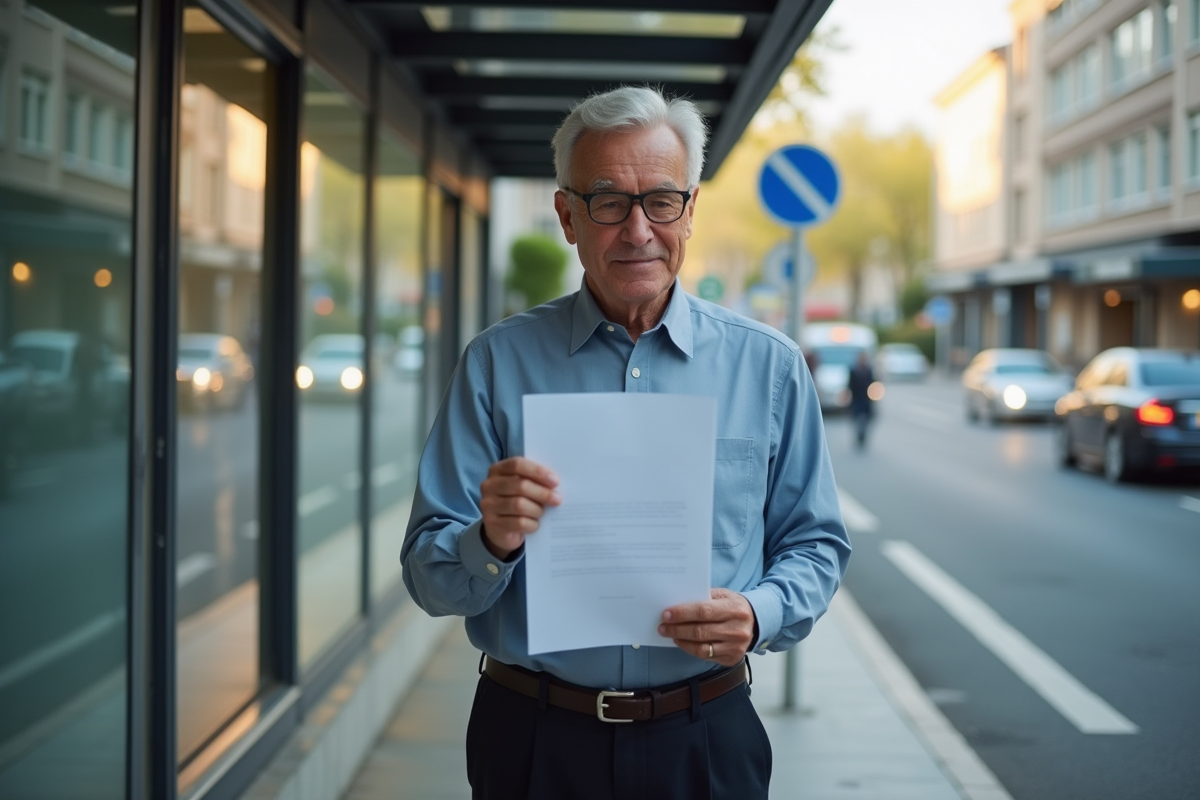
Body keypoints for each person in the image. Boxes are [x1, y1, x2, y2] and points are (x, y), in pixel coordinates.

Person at [402, 85, 851, 800]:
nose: (638, 230)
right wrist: (489, 540)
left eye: (661, 200)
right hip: (532, 739)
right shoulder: (495, 364)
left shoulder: (769, 367)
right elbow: (428, 579)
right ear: (567, 216)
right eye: (609, 202)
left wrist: (760, 611)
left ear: (691, 209)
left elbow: (817, 545)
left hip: (705, 736)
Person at [848, 350, 876, 449]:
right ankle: (858, 435)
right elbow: (850, 385)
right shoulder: (853, 370)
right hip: (856, 398)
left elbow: (873, 383)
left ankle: (863, 435)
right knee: (857, 418)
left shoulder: (869, 370)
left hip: (866, 399)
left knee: (866, 418)